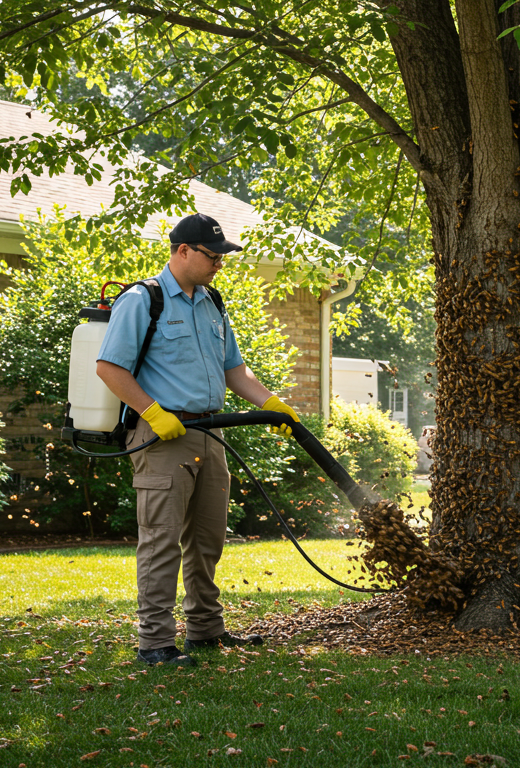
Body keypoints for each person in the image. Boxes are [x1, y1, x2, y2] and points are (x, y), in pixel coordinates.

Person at [96, 212, 300, 666]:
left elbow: (234, 370)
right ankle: (155, 643)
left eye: (222, 257)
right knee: (161, 541)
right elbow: (109, 368)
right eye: (212, 256)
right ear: (183, 251)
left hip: (211, 432)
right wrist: (152, 412)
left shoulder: (212, 303)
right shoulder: (143, 300)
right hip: (163, 436)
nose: (219, 264)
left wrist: (273, 403)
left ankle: (206, 631)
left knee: (208, 539)